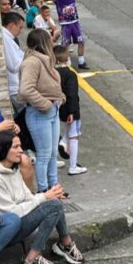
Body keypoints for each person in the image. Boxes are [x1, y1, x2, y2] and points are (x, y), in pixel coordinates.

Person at [0, 132, 83, 264]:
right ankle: (32, 260)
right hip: (1, 230)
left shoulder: (12, 168)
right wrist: (43, 197)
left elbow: (27, 196)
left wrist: (48, 196)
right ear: (3, 149)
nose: (21, 150)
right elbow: (9, 214)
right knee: (52, 205)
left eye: (20, 146)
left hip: (18, 220)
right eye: (15, 147)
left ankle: (65, 243)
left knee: (54, 202)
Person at [18, 28, 65, 193]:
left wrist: (59, 98)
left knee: (52, 153)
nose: (53, 42)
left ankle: (54, 188)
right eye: (49, 39)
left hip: (51, 111)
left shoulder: (45, 60)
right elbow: (25, 90)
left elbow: (48, 87)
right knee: (44, 154)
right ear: (43, 42)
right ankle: (44, 190)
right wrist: (46, 104)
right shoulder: (32, 62)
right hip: (40, 113)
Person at [54, 45, 87, 175]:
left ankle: (62, 143)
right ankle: (73, 166)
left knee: (68, 131)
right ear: (67, 59)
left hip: (59, 108)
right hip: (71, 110)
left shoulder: (53, 73)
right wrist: (73, 112)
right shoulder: (70, 75)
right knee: (74, 136)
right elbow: (72, 94)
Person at [48, 0, 88, 70]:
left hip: (75, 23)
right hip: (65, 25)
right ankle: (66, 62)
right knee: (65, 44)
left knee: (81, 41)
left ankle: (81, 62)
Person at [1, 12, 25, 113]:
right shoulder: (5, 39)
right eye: (19, 27)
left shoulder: (8, 38)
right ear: (11, 25)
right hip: (15, 87)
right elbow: (13, 65)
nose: (21, 31)